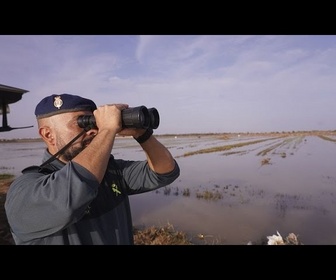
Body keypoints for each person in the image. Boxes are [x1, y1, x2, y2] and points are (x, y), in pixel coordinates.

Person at [5, 93, 180, 245]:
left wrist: (143, 134)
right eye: (82, 123)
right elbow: (70, 198)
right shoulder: (24, 191)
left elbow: (165, 172)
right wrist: (108, 129)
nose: (93, 131)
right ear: (48, 135)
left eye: (94, 123)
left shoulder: (111, 172)